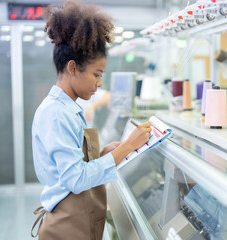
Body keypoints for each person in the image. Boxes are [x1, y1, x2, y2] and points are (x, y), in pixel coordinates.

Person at [30, 1, 152, 239]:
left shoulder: (68, 108)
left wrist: (106, 153)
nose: (99, 83)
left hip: (77, 220)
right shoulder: (56, 113)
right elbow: (75, 179)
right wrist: (127, 147)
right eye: (96, 75)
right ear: (73, 68)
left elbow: (74, 164)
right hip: (67, 225)